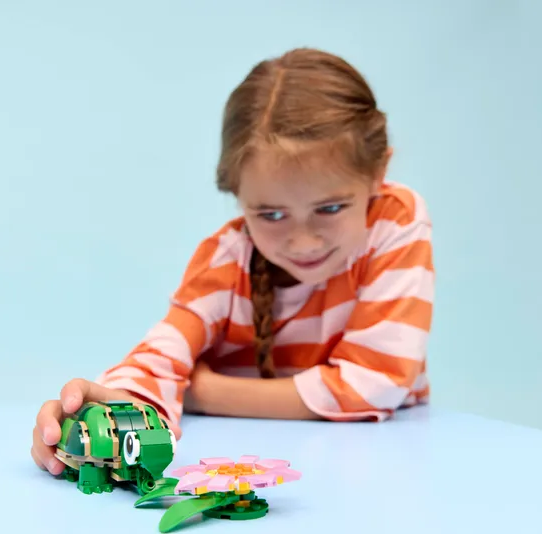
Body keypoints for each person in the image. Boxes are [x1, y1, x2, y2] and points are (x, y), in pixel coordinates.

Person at [31, 47, 434, 475]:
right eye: (271, 214)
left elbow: (375, 384)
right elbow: (160, 360)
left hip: (379, 467)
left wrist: (201, 391)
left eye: (330, 208)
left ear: (377, 175)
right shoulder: (225, 260)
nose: (303, 241)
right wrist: (111, 408)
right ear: (237, 196)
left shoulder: (395, 222)